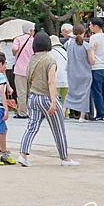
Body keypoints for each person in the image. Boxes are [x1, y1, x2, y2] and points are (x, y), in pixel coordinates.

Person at [19, 32, 79, 167]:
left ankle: (23, 154)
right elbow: (52, 82)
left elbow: (28, 77)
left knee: (31, 127)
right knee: (58, 129)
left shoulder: (31, 59)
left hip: (33, 97)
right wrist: (53, 101)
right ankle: (65, 158)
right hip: (47, 98)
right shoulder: (50, 61)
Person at [64, 24, 93, 121]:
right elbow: (92, 61)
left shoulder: (68, 44)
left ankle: (63, 112)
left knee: (71, 93)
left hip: (72, 71)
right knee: (84, 94)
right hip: (84, 72)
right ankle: (82, 116)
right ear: (83, 33)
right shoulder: (86, 45)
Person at [88, 17, 104, 122]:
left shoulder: (94, 38)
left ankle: (100, 113)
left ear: (95, 26)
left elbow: (91, 51)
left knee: (97, 91)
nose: (89, 27)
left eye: (90, 25)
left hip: (96, 67)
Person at [11, 24, 36, 119]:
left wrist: (15, 52)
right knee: (31, 92)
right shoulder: (34, 41)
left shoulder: (18, 39)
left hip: (19, 69)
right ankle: (32, 111)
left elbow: (15, 49)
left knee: (21, 92)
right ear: (30, 31)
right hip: (32, 69)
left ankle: (22, 112)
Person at [50, 35, 69, 105]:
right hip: (66, 77)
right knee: (65, 98)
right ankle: (66, 113)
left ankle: (57, 112)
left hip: (55, 77)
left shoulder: (50, 52)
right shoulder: (64, 51)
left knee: (55, 97)